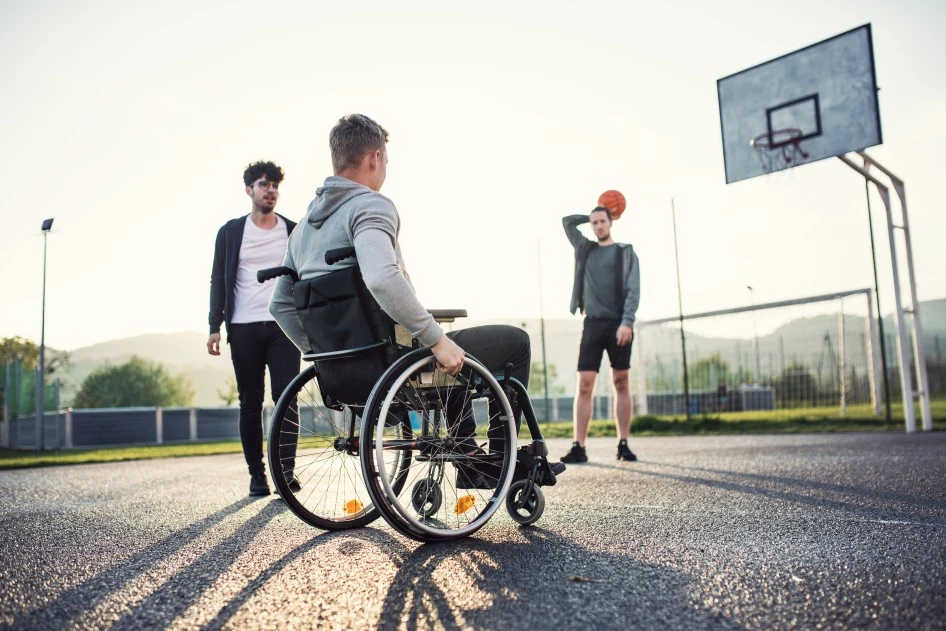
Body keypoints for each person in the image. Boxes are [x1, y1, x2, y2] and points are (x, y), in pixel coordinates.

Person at [269, 114, 535, 484]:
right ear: (374, 157)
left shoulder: (302, 231)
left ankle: (468, 453)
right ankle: (500, 462)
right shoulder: (370, 206)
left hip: (348, 372)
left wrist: (325, 355)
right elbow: (381, 277)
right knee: (512, 343)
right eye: (386, 162)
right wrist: (436, 340)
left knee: (451, 353)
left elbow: (279, 304)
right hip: (396, 362)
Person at [208, 160, 301, 497]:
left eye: (275, 185)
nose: (270, 190)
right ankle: (257, 475)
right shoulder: (232, 232)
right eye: (264, 184)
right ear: (249, 190)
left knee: (286, 399)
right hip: (243, 326)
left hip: (283, 326)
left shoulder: (293, 230)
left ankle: (286, 473)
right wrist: (214, 325)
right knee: (250, 402)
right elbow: (219, 279)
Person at [560, 205, 640, 463]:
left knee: (621, 382)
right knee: (584, 384)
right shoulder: (586, 248)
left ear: (611, 222)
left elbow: (633, 289)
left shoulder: (625, 252)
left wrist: (627, 321)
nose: (597, 226)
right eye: (594, 222)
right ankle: (579, 446)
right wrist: (588, 214)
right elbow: (567, 222)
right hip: (592, 324)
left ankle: (623, 443)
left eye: (602, 221)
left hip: (619, 323)